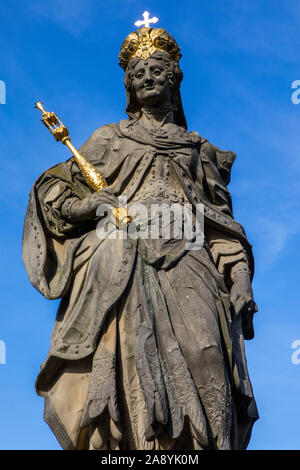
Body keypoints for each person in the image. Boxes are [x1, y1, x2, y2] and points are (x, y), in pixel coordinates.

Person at [22, 26, 258, 450]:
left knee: (208, 354)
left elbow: (223, 226)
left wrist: (240, 281)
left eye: (156, 69)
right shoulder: (109, 139)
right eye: (137, 72)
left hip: (188, 254)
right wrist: (89, 206)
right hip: (122, 259)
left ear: (175, 78)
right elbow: (55, 189)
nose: (147, 77)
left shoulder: (198, 149)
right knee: (125, 360)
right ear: (128, 85)